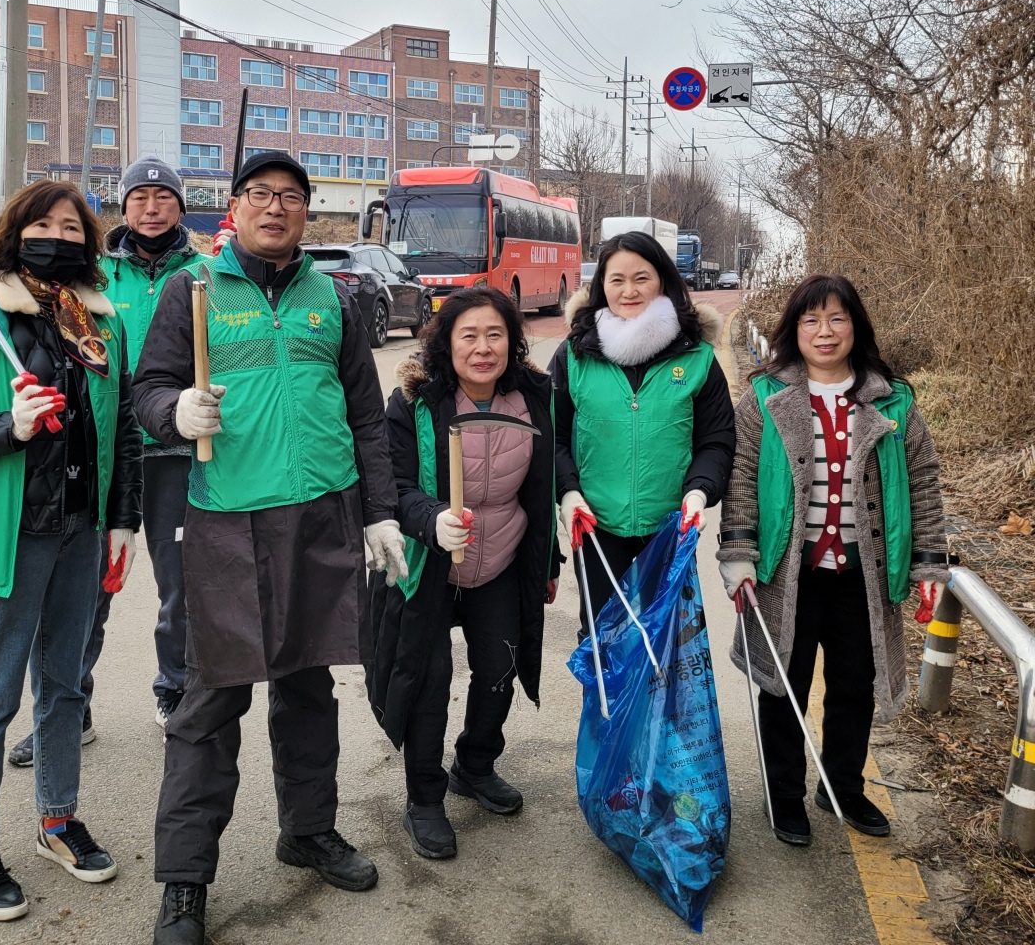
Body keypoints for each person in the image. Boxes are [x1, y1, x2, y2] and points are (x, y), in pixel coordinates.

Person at [132, 149, 405, 945]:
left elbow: (364, 415)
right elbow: (148, 387)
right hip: (228, 519)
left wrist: (380, 513)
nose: (276, 208)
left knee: (309, 688)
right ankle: (184, 881)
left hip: (321, 515)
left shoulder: (334, 300)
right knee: (211, 702)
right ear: (235, 208)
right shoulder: (195, 292)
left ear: (307, 212)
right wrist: (173, 411)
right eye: (261, 195)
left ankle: (307, 830)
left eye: (291, 197)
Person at [0, 180, 142, 922]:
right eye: (44, 223)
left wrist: (122, 520)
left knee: (65, 687)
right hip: (6, 537)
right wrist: (5, 428)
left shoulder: (97, 329)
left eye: (73, 227)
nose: (60, 236)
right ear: (16, 233)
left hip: (80, 530)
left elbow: (125, 432)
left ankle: (56, 819)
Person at [717, 274, 949, 846]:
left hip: (861, 573)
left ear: (856, 327)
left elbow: (923, 480)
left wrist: (927, 565)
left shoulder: (893, 399)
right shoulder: (766, 397)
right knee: (783, 685)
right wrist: (739, 556)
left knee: (854, 682)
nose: (825, 332)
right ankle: (785, 794)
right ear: (794, 330)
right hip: (784, 571)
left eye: (837, 319)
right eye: (811, 320)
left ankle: (841, 786)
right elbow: (741, 478)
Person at [6, 160, 202, 769]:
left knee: (182, 587)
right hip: (100, 453)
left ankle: (175, 690)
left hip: (176, 455)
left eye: (162, 197)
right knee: (86, 591)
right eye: (138, 196)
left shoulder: (206, 274)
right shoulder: (90, 276)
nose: (150, 206)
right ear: (123, 207)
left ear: (178, 206)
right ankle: (70, 708)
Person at [369, 286, 561, 861]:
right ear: (445, 344)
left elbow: (544, 484)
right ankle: (424, 799)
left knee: (499, 667)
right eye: (469, 336)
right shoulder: (413, 402)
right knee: (428, 683)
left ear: (513, 341)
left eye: (495, 335)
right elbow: (394, 486)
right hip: (428, 563)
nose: (483, 348)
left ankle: (475, 765)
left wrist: (546, 561)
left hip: (499, 558)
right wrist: (430, 520)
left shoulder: (535, 395)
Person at [549, 231, 734, 631]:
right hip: (596, 527)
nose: (629, 290)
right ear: (602, 285)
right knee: (604, 642)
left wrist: (699, 493)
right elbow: (552, 437)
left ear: (662, 280)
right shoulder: (575, 355)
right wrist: (568, 493)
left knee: (667, 644)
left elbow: (715, 441)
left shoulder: (697, 357)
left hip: (670, 529)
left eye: (641, 277)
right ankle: (603, 699)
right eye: (617, 279)